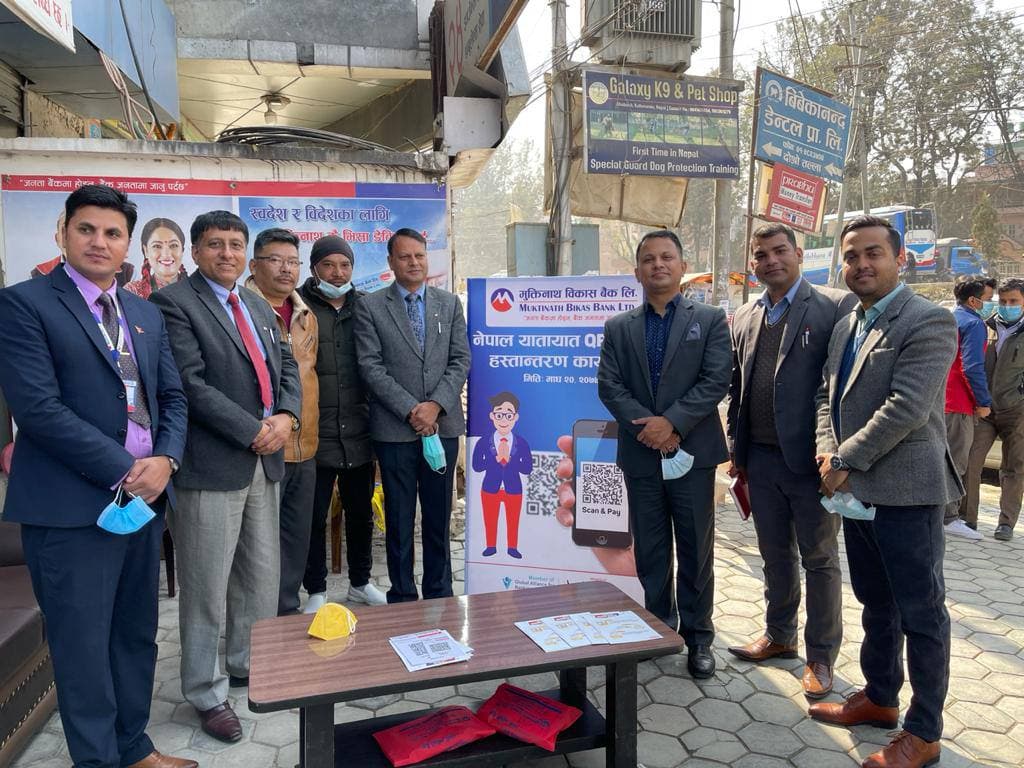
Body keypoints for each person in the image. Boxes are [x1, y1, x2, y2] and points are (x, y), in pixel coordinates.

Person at [0, 185, 193, 768]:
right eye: (86, 229)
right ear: (62, 232)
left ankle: (134, 749)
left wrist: (166, 461)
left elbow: (171, 397)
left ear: (127, 244)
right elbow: (38, 410)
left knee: (134, 636)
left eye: (112, 233)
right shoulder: (24, 304)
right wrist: (127, 469)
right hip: (70, 510)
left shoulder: (143, 312)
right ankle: (97, 761)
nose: (99, 242)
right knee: (82, 649)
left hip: (142, 504)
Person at [811, 215, 960, 768]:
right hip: (855, 491)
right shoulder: (848, 321)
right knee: (877, 603)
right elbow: (827, 396)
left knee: (922, 614)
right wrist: (827, 450)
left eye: (873, 253)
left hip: (908, 492)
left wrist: (843, 459)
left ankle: (924, 733)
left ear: (901, 259)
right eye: (851, 256)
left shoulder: (928, 320)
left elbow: (907, 408)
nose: (861, 264)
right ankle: (879, 697)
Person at [150, 211, 301, 742]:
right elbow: (188, 384)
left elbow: (287, 367)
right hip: (212, 464)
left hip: (265, 459)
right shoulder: (173, 303)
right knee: (206, 587)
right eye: (216, 245)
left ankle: (246, 664)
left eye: (236, 245)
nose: (227, 254)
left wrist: (287, 417)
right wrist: (252, 429)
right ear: (195, 251)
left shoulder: (255, 303)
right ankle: (204, 691)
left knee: (259, 577)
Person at [725, 222, 856, 698]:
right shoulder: (746, 314)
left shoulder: (834, 307)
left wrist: (836, 455)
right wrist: (736, 451)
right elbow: (737, 387)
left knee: (819, 559)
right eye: (761, 255)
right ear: (753, 264)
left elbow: (840, 386)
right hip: (760, 460)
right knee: (774, 554)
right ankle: (779, 635)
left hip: (811, 463)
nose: (771, 261)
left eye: (780, 251)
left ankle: (820, 657)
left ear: (798, 254)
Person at [597, 229, 731, 679]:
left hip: (692, 454)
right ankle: (659, 627)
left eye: (667, 257)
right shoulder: (619, 327)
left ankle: (699, 637)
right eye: (649, 259)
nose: (658, 264)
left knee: (695, 550)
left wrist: (671, 423)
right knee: (652, 550)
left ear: (682, 266)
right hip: (641, 455)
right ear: (637, 271)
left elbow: (716, 380)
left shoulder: (709, 319)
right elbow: (609, 385)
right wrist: (650, 429)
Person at [354, 227, 470, 603]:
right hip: (395, 432)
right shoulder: (371, 306)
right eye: (404, 256)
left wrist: (435, 405)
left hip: (442, 427)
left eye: (419, 255)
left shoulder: (448, 304)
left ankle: (440, 592)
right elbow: (370, 367)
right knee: (399, 520)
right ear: (391, 262)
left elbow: (460, 359)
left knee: (438, 517)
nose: (414, 263)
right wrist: (411, 409)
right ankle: (402, 595)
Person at [298, 235, 387, 611]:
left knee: (361, 513)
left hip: (359, 430)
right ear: (314, 268)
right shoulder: (298, 305)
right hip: (313, 433)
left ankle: (360, 584)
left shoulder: (367, 306)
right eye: (329, 265)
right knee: (312, 516)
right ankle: (316, 590)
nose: (338, 273)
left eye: (345, 265)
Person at [244, 227, 321, 615]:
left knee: (295, 538)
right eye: (276, 260)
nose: (286, 269)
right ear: (254, 265)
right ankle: (256, 621)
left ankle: (286, 612)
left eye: (293, 261)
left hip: (304, 446)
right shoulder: (240, 310)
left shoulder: (306, 315)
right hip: (261, 446)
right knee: (258, 544)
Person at [961, 277, 1024, 542]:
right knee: (970, 460)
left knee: (1014, 466)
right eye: (1004, 301)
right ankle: (967, 518)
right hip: (984, 409)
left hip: (1016, 410)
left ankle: (1006, 523)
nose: (1008, 306)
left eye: (1014, 301)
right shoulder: (984, 327)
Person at [943, 274, 996, 540]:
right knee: (956, 462)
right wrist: (983, 402)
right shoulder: (974, 324)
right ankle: (949, 517)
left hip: (940, 399)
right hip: (959, 403)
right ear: (974, 301)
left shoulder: (948, 318)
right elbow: (972, 367)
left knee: (939, 459)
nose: (991, 304)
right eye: (988, 299)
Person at [472, 391, 533, 559]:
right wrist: (495, 459)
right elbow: (476, 466)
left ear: (516, 417)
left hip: (514, 488)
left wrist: (511, 460)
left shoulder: (522, 443)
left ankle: (512, 548)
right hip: (489, 487)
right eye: (499, 415)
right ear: (492, 416)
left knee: (513, 520)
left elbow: (527, 468)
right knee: (489, 519)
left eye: (508, 415)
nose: (504, 420)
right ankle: (490, 546)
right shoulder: (484, 441)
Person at [124, 217, 189, 299]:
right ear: (146, 251)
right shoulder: (132, 292)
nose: (166, 254)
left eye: (173, 245)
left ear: (182, 250)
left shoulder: (197, 289)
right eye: (157, 246)